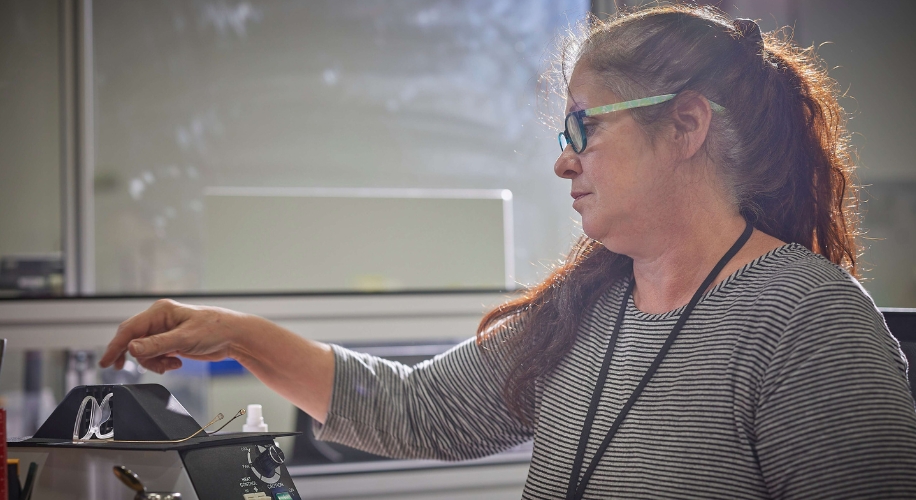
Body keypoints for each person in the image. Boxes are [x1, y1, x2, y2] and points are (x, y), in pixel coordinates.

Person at [100, 5, 916, 499]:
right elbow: (409, 408)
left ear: (687, 126)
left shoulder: (808, 325)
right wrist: (234, 333)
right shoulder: (588, 306)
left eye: (582, 128)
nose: (563, 159)